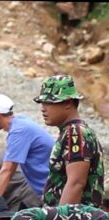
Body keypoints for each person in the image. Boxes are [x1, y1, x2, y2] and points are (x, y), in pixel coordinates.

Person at [34, 75, 104, 208]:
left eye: (49, 103)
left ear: (67, 103)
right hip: (71, 217)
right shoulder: (70, 131)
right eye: (42, 103)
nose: (43, 108)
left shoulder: (75, 133)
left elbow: (76, 183)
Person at [0, 94, 54, 198]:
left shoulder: (19, 131)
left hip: (50, 190)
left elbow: (7, 170)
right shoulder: (21, 121)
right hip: (45, 187)